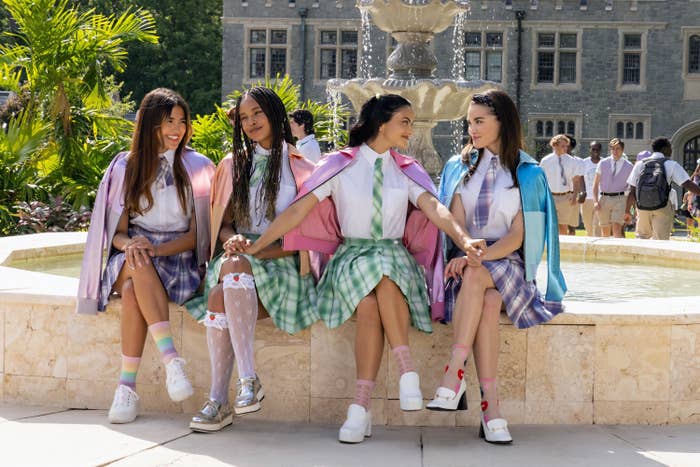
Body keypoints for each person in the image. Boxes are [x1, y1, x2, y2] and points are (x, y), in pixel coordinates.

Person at [244, 94, 484, 444]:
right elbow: (298, 210)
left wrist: (464, 241)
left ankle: (360, 408)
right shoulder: (339, 165)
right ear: (381, 124)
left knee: (377, 291)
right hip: (351, 259)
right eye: (404, 122)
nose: (409, 130)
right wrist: (258, 244)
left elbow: (434, 208)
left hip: (393, 257)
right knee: (378, 276)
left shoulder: (405, 169)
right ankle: (407, 373)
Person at [432, 90, 566, 444]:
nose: (471, 129)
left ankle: (453, 374)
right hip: (467, 263)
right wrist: (466, 249)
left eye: (479, 121)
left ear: (502, 122)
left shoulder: (527, 172)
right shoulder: (457, 167)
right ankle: (492, 410)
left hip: (507, 263)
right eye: (469, 122)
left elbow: (519, 236)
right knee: (487, 302)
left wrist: (477, 256)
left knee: (478, 276)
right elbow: (456, 222)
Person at [76, 88, 215, 423]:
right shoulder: (126, 167)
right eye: (169, 121)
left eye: (182, 121)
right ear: (150, 122)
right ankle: (171, 361)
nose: (177, 128)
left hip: (175, 256)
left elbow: (199, 236)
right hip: (134, 254)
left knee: (133, 288)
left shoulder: (197, 166)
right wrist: (132, 245)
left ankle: (126, 386)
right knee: (136, 261)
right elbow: (118, 233)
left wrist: (156, 249)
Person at [186, 87, 319, 432]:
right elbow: (224, 225)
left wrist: (261, 250)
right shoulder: (234, 165)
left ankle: (219, 400)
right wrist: (235, 241)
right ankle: (245, 381)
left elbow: (307, 235)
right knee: (230, 271)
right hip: (239, 256)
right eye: (244, 117)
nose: (250, 122)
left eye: (257, 113)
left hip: (282, 258)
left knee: (218, 296)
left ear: (275, 113)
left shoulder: (301, 167)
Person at [625, 137, 700, 240]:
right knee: (660, 241)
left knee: (641, 239)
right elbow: (688, 184)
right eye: (670, 147)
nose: (671, 150)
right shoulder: (671, 164)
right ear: (665, 149)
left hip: (642, 207)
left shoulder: (640, 164)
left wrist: (627, 211)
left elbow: (632, 190)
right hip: (662, 206)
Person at [539, 134, 585, 235]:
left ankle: (561, 248)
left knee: (563, 226)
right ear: (555, 145)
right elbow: (541, 181)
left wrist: (574, 196)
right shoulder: (546, 161)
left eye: (566, 146)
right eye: (563, 146)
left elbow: (576, 180)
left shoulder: (571, 161)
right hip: (551, 197)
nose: (566, 148)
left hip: (566, 197)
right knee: (550, 225)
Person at [592, 138, 633, 238]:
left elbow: (632, 188)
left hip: (620, 199)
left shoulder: (629, 166)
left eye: (618, 148)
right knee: (605, 230)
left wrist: (629, 208)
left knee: (617, 228)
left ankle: (617, 252)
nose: (615, 151)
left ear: (622, 150)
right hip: (604, 198)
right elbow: (595, 184)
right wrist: (595, 201)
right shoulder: (602, 163)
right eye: (613, 149)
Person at [579, 141, 602, 236]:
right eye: (593, 149)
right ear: (589, 150)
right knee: (588, 225)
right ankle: (589, 248)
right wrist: (582, 191)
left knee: (597, 226)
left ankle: (598, 248)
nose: (595, 151)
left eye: (597, 149)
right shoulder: (584, 163)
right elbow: (580, 178)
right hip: (587, 199)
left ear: (600, 150)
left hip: (600, 198)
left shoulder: (604, 162)